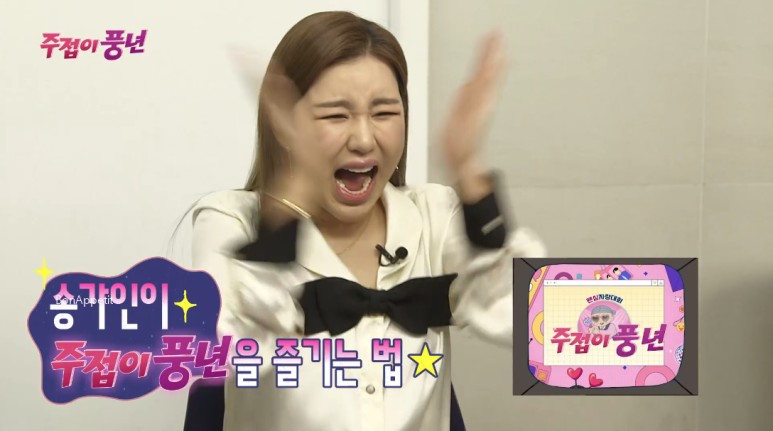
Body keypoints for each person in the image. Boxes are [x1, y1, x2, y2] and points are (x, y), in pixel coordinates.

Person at [190, 11, 546, 431]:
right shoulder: (230, 221)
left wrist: (468, 168)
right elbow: (229, 346)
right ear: (285, 126)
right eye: (335, 116)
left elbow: (541, 323)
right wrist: (287, 207)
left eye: (384, 113)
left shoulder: (434, 215)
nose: (363, 139)